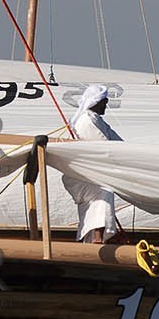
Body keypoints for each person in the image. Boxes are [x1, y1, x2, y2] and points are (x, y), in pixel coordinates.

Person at [62, 83, 122, 244]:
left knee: (102, 192)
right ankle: (97, 236)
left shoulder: (97, 120)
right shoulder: (86, 120)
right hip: (83, 173)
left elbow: (118, 143)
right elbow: (102, 146)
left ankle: (91, 238)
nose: (106, 104)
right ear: (96, 101)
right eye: (104, 100)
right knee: (104, 191)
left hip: (93, 172)